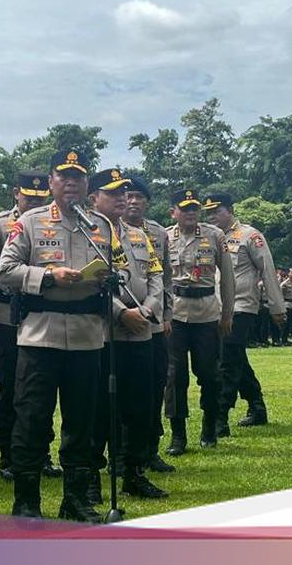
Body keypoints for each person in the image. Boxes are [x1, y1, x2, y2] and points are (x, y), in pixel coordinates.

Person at [0, 149, 117, 522]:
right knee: (32, 419)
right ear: (51, 182)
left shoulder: (100, 225)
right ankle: (27, 501)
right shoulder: (30, 223)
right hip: (40, 335)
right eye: (63, 176)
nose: (71, 182)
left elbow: (115, 271)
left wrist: (108, 279)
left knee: (81, 422)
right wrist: (49, 276)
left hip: (87, 336)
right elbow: (6, 270)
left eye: (78, 177)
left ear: (85, 185)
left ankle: (75, 499)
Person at [0, 170, 62, 482]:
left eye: (40, 197)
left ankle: (43, 453)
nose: (35, 201)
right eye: (29, 196)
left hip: (45, 316)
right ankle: (8, 454)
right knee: (12, 387)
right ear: (16, 193)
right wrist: (21, 278)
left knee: (45, 387)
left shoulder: (56, 223)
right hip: (8, 314)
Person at [88, 168, 167, 502]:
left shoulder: (137, 235)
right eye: (114, 193)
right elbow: (90, 279)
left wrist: (147, 311)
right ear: (93, 198)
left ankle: (134, 472)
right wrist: (123, 312)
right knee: (97, 410)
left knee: (139, 406)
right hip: (104, 335)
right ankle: (91, 477)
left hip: (140, 333)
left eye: (124, 193)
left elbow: (156, 276)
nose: (122, 198)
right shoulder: (85, 232)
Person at [204, 193, 283, 437]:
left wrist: (276, 307)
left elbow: (267, 270)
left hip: (241, 306)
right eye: (208, 212)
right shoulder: (210, 237)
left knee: (227, 360)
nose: (212, 216)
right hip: (216, 307)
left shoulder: (250, 236)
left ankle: (220, 415)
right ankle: (257, 406)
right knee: (236, 357)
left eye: (217, 211)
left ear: (230, 210)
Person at [163, 189, 234, 458]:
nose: (191, 213)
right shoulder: (165, 237)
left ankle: (209, 426)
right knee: (174, 375)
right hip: (177, 315)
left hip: (206, 314)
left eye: (194, 208)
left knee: (209, 374)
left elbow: (227, 278)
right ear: (174, 212)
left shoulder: (214, 236)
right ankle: (178, 433)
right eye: (185, 208)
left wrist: (227, 313)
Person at [123, 177, 177, 474]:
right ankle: (121, 453)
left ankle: (150, 449)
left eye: (138, 197)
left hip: (154, 322)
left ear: (147, 202)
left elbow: (165, 276)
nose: (132, 202)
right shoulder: (104, 230)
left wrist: (166, 314)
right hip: (118, 322)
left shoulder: (157, 232)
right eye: (128, 196)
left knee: (155, 384)